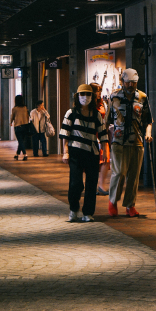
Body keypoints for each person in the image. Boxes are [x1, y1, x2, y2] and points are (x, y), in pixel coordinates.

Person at [107, 68, 153, 218]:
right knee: (119, 172)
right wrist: (107, 140)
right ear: (122, 82)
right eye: (128, 83)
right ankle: (112, 201)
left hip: (137, 141)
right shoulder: (114, 97)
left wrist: (148, 134)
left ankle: (130, 205)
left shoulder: (142, 97)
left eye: (133, 83)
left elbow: (148, 121)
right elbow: (107, 121)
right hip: (118, 141)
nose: (130, 85)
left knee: (134, 176)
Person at [61, 84, 108, 223]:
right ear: (77, 96)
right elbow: (65, 133)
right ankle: (74, 209)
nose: (85, 97)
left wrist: (104, 152)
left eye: (88, 95)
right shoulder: (71, 113)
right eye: (82, 94)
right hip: (75, 152)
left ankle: (88, 212)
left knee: (91, 183)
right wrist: (65, 152)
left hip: (92, 153)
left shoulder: (96, 114)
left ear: (92, 97)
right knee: (75, 183)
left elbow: (103, 134)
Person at [91, 83, 110, 195]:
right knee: (94, 161)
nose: (99, 93)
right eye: (96, 91)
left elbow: (106, 118)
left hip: (102, 133)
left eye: (100, 90)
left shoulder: (102, 103)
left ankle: (101, 185)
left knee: (105, 159)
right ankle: (93, 185)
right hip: (93, 133)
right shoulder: (88, 105)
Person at [10, 95, 30, 161]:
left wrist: (11, 122)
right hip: (25, 126)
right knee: (21, 141)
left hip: (18, 126)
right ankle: (17, 154)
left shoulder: (14, 108)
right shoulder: (25, 108)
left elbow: (12, 116)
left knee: (20, 141)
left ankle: (25, 154)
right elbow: (27, 116)